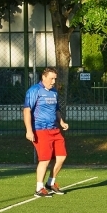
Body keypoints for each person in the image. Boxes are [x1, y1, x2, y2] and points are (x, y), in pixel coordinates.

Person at [23, 67, 69, 197]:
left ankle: (50, 183)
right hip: (40, 130)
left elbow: (56, 110)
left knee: (61, 156)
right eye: (51, 78)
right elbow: (26, 111)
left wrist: (61, 122)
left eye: (55, 79)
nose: (53, 81)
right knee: (45, 159)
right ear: (43, 77)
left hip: (54, 130)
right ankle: (39, 188)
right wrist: (29, 130)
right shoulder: (34, 90)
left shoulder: (54, 92)